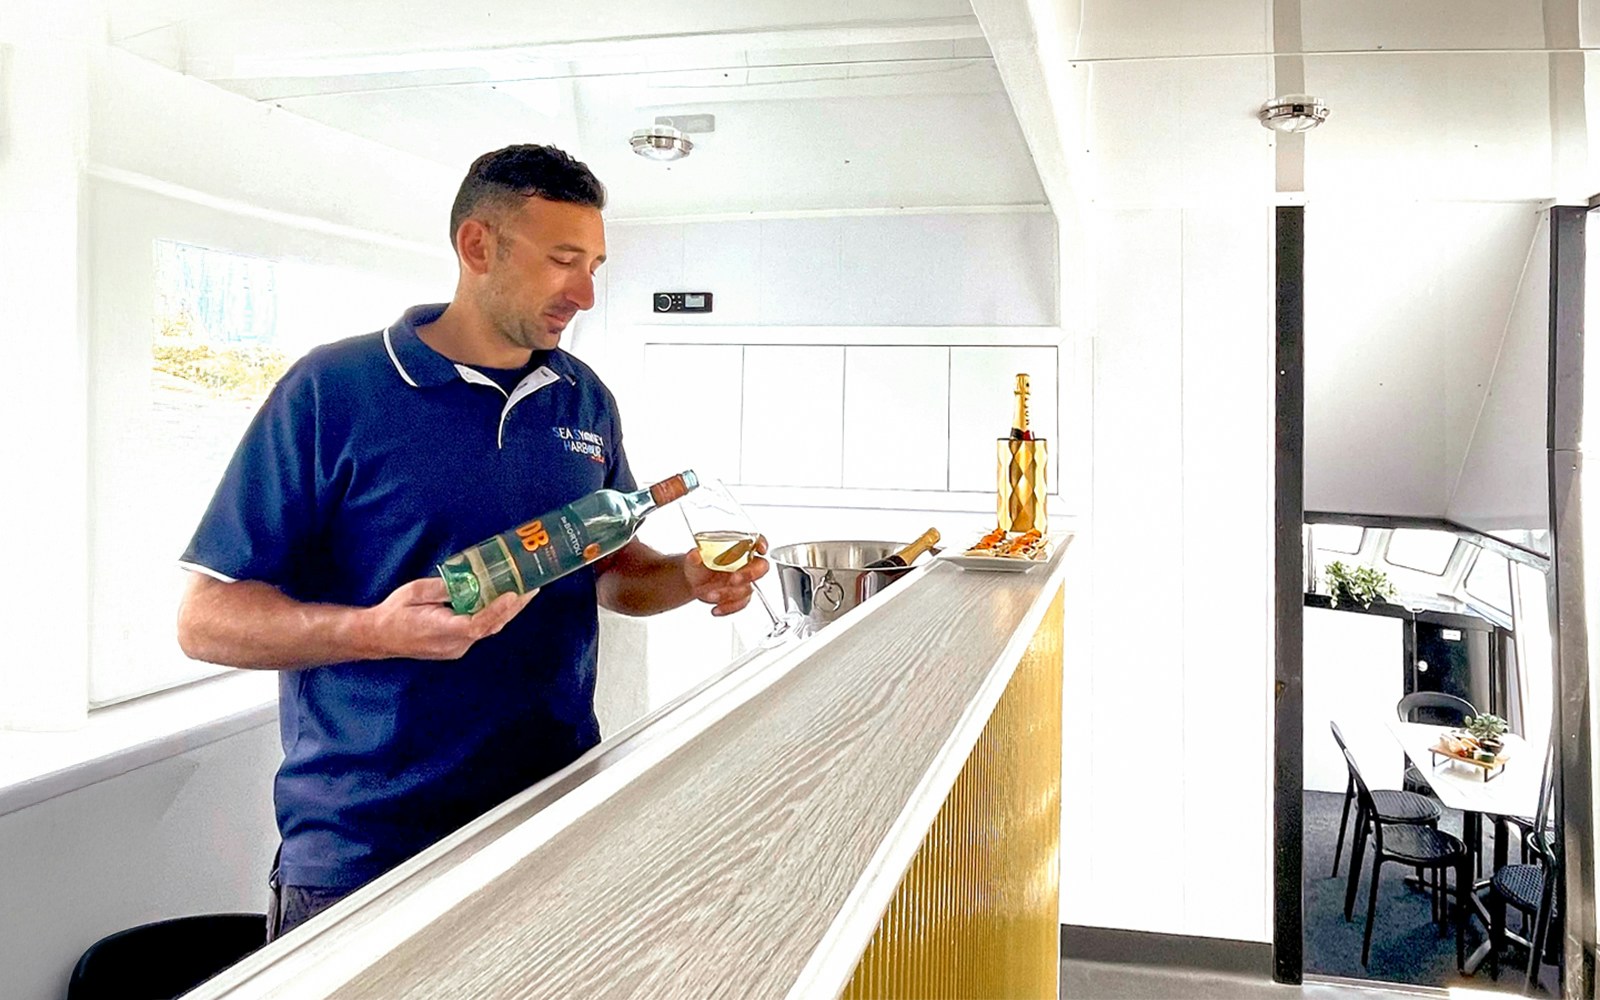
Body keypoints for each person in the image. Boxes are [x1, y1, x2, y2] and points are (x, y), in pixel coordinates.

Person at [175, 144, 767, 939]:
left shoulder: (582, 398)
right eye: (563, 260)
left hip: (550, 820)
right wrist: (373, 630)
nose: (586, 292)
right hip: (367, 856)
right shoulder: (333, 391)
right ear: (478, 246)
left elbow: (610, 572)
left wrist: (687, 579)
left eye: (594, 264)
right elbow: (206, 620)